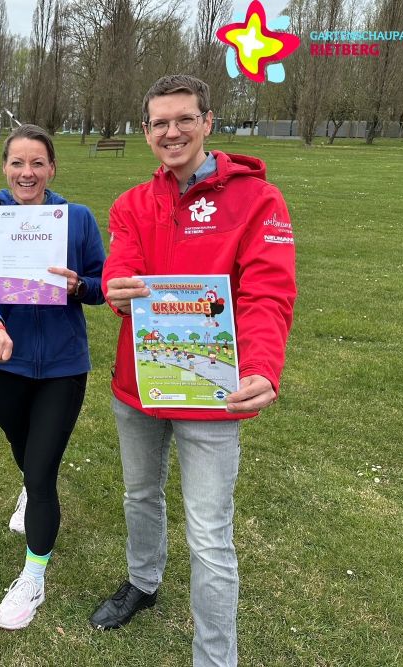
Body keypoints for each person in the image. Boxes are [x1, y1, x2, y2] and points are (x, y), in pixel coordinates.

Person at [91, 74, 297, 667]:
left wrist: (260, 366)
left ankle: (214, 657)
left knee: (209, 537)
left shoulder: (259, 200)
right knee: (139, 494)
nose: (172, 132)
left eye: (184, 119)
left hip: (213, 394)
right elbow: (121, 268)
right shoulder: (133, 202)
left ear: (209, 122)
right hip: (138, 387)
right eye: (160, 123)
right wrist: (117, 289)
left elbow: (267, 293)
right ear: (147, 131)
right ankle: (143, 581)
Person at [0, 124, 106, 630]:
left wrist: (80, 285)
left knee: (42, 472)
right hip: (9, 362)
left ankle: (32, 578)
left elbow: (101, 284)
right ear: (4, 168)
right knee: (22, 447)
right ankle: (29, 482)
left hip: (64, 366)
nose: (27, 172)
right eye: (18, 163)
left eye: (37, 163)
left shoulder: (79, 220)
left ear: (52, 168)